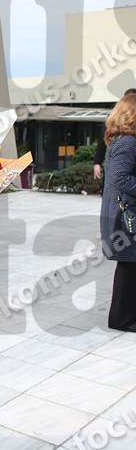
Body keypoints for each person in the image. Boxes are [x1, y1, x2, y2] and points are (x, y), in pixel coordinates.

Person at [100, 91, 136, 331]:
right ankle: (121, 320)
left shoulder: (122, 140)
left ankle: (125, 316)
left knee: (130, 266)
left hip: (123, 215)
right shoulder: (128, 142)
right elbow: (120, 178)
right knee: (129, 267)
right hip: (126, 217)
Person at [94, 89, 136, 193]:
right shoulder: (126, 141)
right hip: (123, 201)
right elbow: (120, 178)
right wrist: (97, 162)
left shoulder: (120, 137)